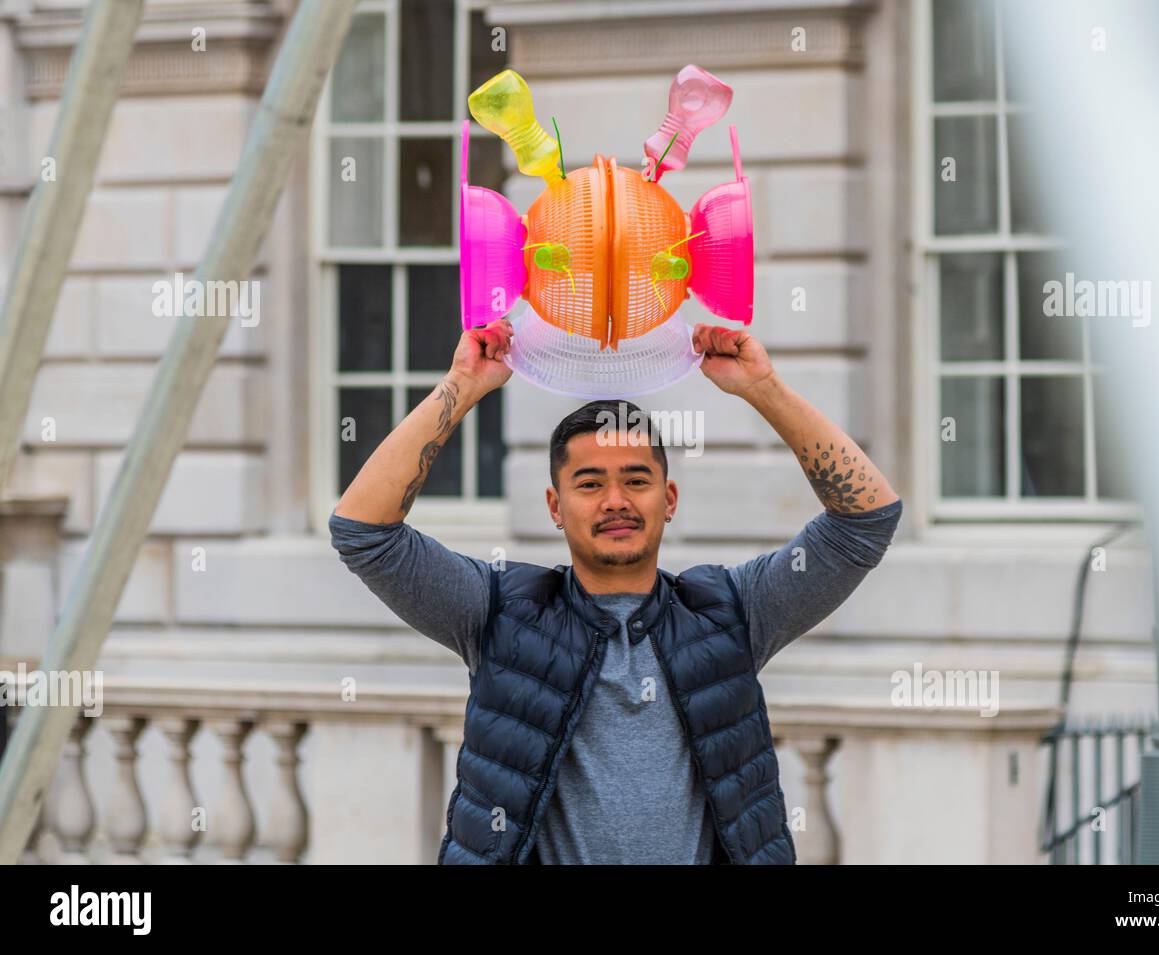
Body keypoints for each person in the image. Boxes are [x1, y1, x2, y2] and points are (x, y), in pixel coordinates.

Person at [329, 317, 902, 864]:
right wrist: (462, 386)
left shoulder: (733, 611)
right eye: (589, 483)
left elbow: (866, 520)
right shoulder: (499, 612)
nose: (615, 501)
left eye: (636, 479)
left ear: (668, 499)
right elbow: (364, 533)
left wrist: (763, 388)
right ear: (555, 506)